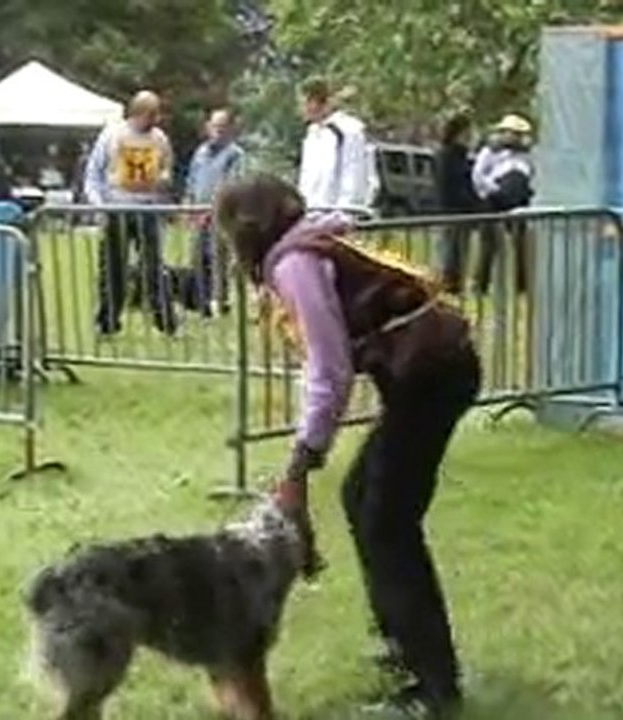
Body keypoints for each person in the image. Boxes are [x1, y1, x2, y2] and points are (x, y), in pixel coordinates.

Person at [215, 174, 481, 719]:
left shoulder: (295, 264)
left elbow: (329, 369)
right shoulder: (309, 245)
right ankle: (400, 646)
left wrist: (301, 461)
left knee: (386, 521)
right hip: (435, 368)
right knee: (365, 499)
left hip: (429, 375)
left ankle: (432, 688)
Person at [84, 90, 177, 335]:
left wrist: (163, 179)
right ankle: (107, 321)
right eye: (152, 114)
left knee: (154, 267)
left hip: (147, 209)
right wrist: (99, 205)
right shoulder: (112, 135)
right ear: (138, 113)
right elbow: (93, 173)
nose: (156, 119)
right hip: (117, 208)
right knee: (113, 268)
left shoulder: (160, 139)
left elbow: (168, 170)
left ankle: (166, 321)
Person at [184, 108, 245, 315]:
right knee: (197, 257)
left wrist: (212, 210)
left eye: (222, 127)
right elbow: (192, 180)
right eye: (214, 126)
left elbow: (230, 185)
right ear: (208, 127)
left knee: (218, 258)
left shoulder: (235, 154)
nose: (217, 131)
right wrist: (190, 206)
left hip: (221, 214)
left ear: (229, 129)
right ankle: (200, 300)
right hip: (198, 213)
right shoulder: (200, 152)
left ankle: (220, 301)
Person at [472, 114, 535, 294]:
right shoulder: (490, 151)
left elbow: (531, 172)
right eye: (511, 133)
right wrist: (494, 190)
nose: (514, 137)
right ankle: (480, 284)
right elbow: (478, 175)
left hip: (518, 199)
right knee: (488, 243)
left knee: (520, 243)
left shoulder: (525, 154)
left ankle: (521, 285)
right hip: (494, 200)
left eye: (518, 134)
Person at [298, 77, 377, 209]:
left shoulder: (348, 131)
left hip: (338, 214)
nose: (302, 109)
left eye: (305, 103)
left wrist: (345, 210)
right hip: (314, 213)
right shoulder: (312, 134)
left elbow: (353, 174)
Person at [434, 113, 479, 294]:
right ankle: (447, 284)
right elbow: (453, 185)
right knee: (451, 250)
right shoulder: (448, 155)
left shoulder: (458, 155)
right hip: (453, 210)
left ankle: (454, 284)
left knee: (459, 250)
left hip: (461, 211)